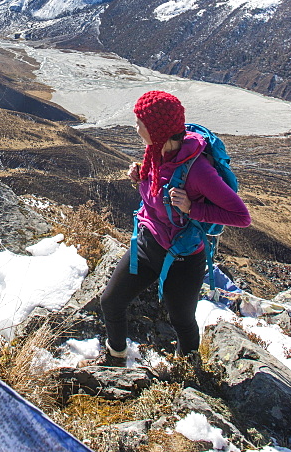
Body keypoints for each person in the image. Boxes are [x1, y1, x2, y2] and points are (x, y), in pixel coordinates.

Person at [100, 90, 250, 365]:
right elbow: (157, 191)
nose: (135, 129)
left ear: (157, 129)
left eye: (139, 124)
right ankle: (116, 357)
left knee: (181, 321)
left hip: (183, 258)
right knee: (111, 301)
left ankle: (188, 373)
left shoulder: (198, 171)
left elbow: (241, 216)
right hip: (147, 244)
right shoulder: (155, 151)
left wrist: (192, 209)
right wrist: (139, 176)